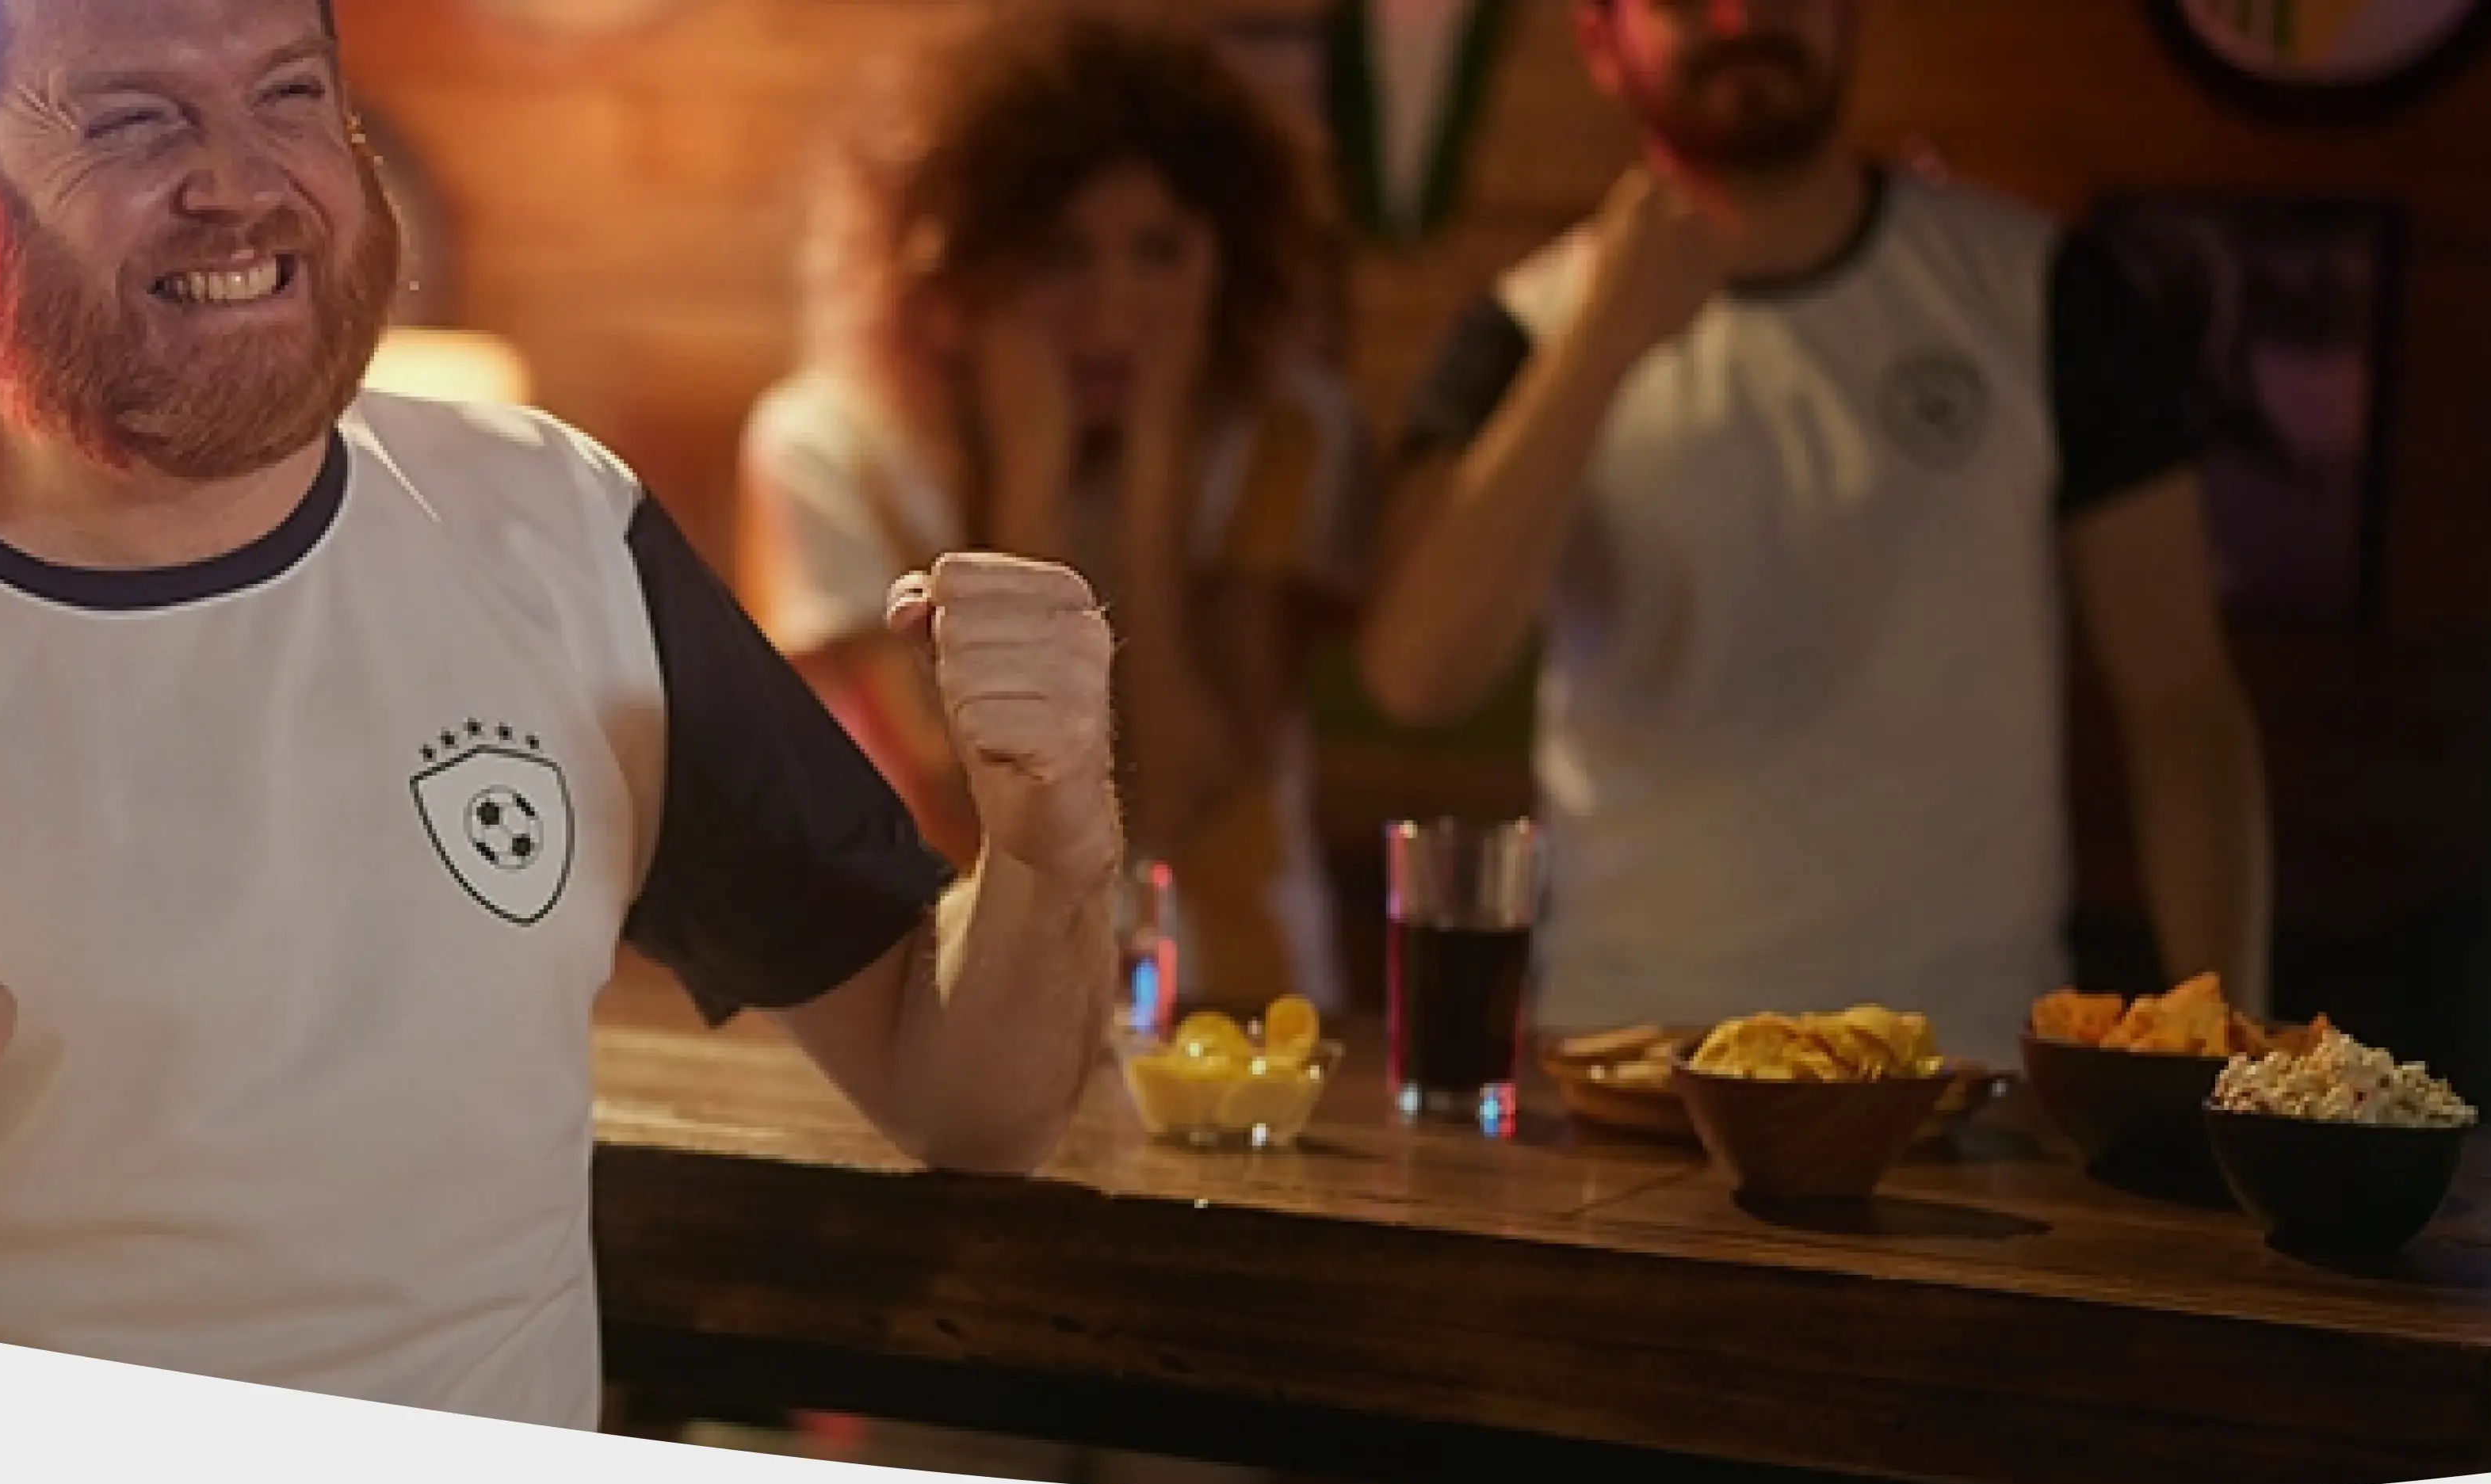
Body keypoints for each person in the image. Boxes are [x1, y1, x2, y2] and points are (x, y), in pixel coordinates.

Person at [0, 0, 1122, 1430]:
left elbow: (967, 1099)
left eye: (289, 94)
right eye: (132, 118)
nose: (240, 180)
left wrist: (1054, 837)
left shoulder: (564, 530)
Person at [1364, 0, 2273, 1060]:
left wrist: (2232, 1063)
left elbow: (2183, 707)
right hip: (1626, 1055)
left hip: (1967, 1061)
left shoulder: (2043, 294)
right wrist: (1602, 344)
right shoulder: (1530, 328)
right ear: (1602, 43)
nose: (1741, 15)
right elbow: (1417, 677)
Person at [741, 5, 1370, 1012]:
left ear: (1227, 259)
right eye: (1058, 257)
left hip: (1243, 1010)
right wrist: (1030, 475)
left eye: (1158, 251)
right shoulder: (829, 449)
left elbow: (1179, 800)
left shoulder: (1285, 436)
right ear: (953, 274)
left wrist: (1158, 471)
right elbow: (981, 802)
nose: (1111, 314)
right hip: (948, 1003)